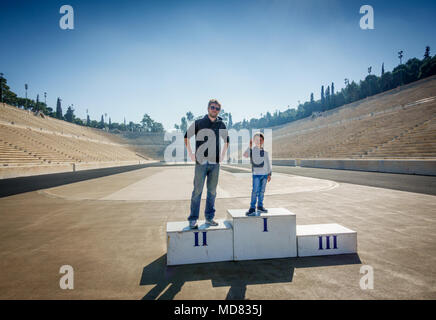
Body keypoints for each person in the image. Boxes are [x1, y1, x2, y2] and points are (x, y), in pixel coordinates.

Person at [184, 99, 229, 229]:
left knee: (212, 192)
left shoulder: (221, 123)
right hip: (201, 162)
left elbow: (227, 141)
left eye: (217, 108)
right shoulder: (199, 122)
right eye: (212, 107)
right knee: (197, 191)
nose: (214, 110)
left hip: (215, 163)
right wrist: (191, 153)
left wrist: (222, 155)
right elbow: (186, 137)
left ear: (219, 111)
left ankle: (209, 218)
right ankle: (193, 219)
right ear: (208, 108)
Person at [243, 132, 272, 216]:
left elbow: (267, 163)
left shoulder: (265, 152)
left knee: (262, 191)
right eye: (256, 140)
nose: (258, 141)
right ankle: (252, 208)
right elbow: (245, 155)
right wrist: (250, 146)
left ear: (263, 141)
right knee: (255, 191)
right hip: (256, 174)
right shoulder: (252, 150)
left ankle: (260, 206)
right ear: (254, 141)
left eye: (260, 140)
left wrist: (269, 174)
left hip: (265, 174)